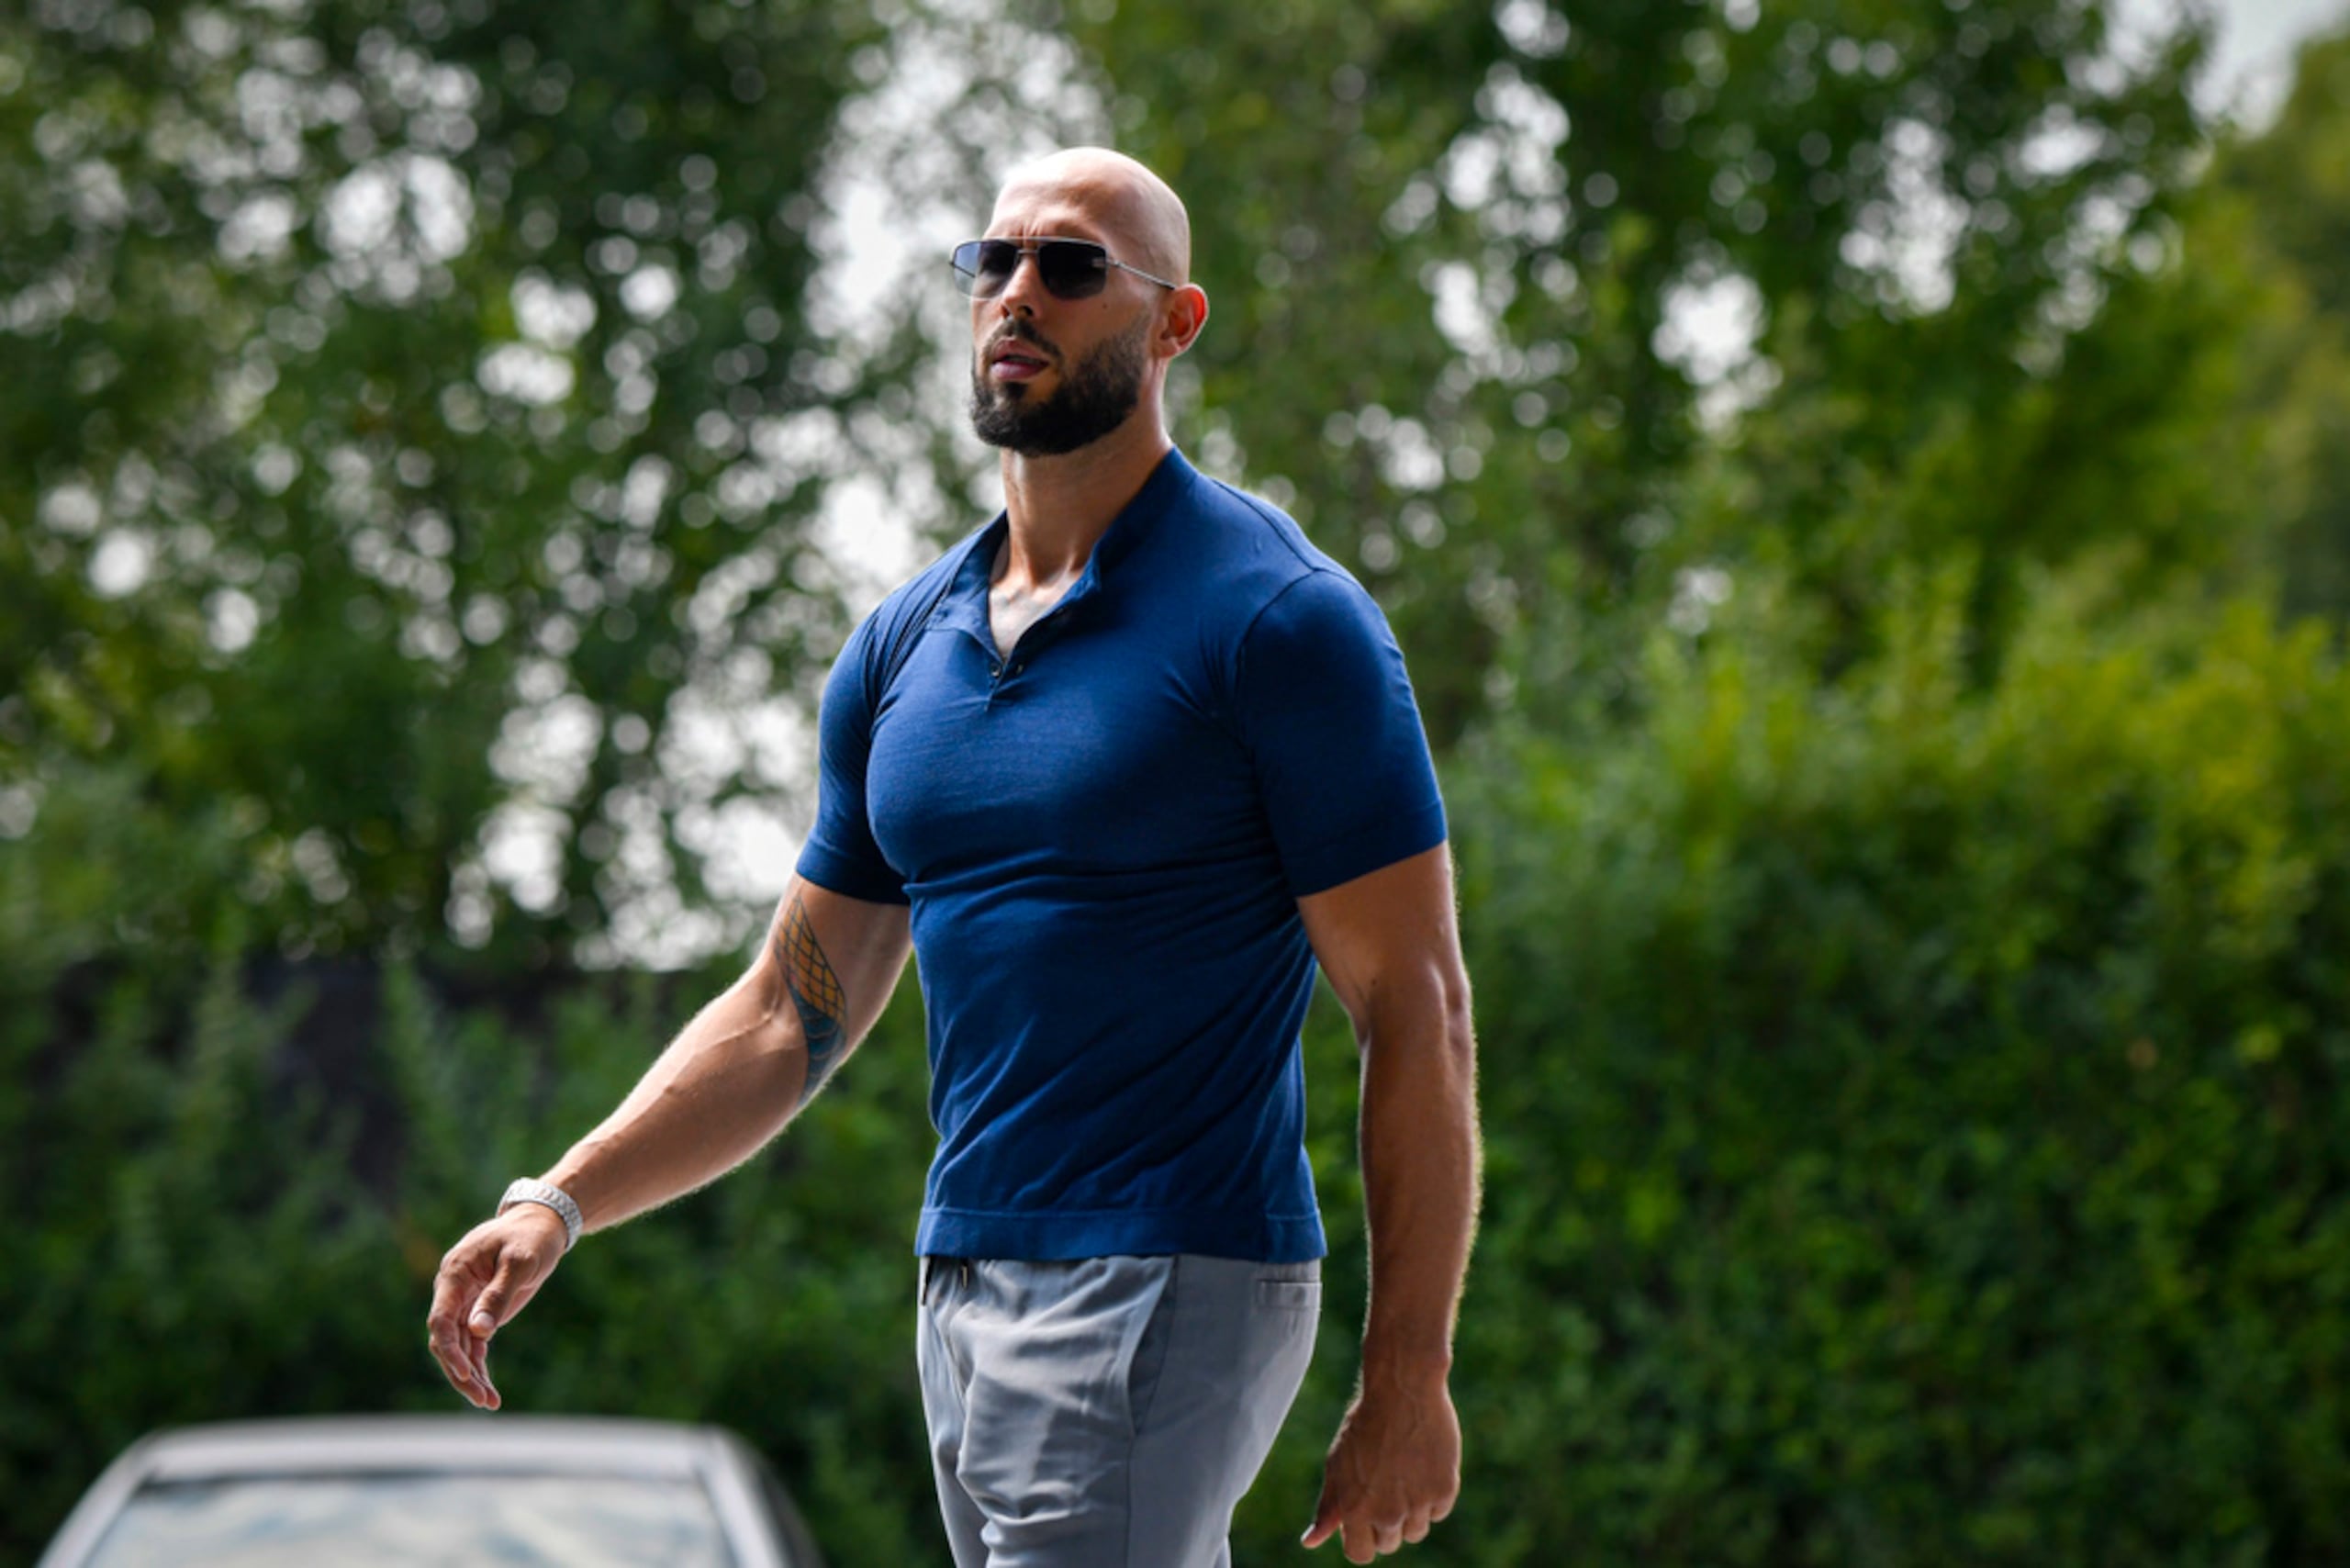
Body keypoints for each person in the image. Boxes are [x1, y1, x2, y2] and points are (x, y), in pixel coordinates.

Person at [427, 146, 1481, 1567]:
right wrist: (561, 1197)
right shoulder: (904, 648)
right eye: (991, 262)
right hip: (964, 1271)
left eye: (1070, 266)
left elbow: (1415, 1010)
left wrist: (1407, 1377)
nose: (1016, 294)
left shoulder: (1279, 621)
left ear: (1175, 322)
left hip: (1169, 1262)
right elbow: (789, 1008)